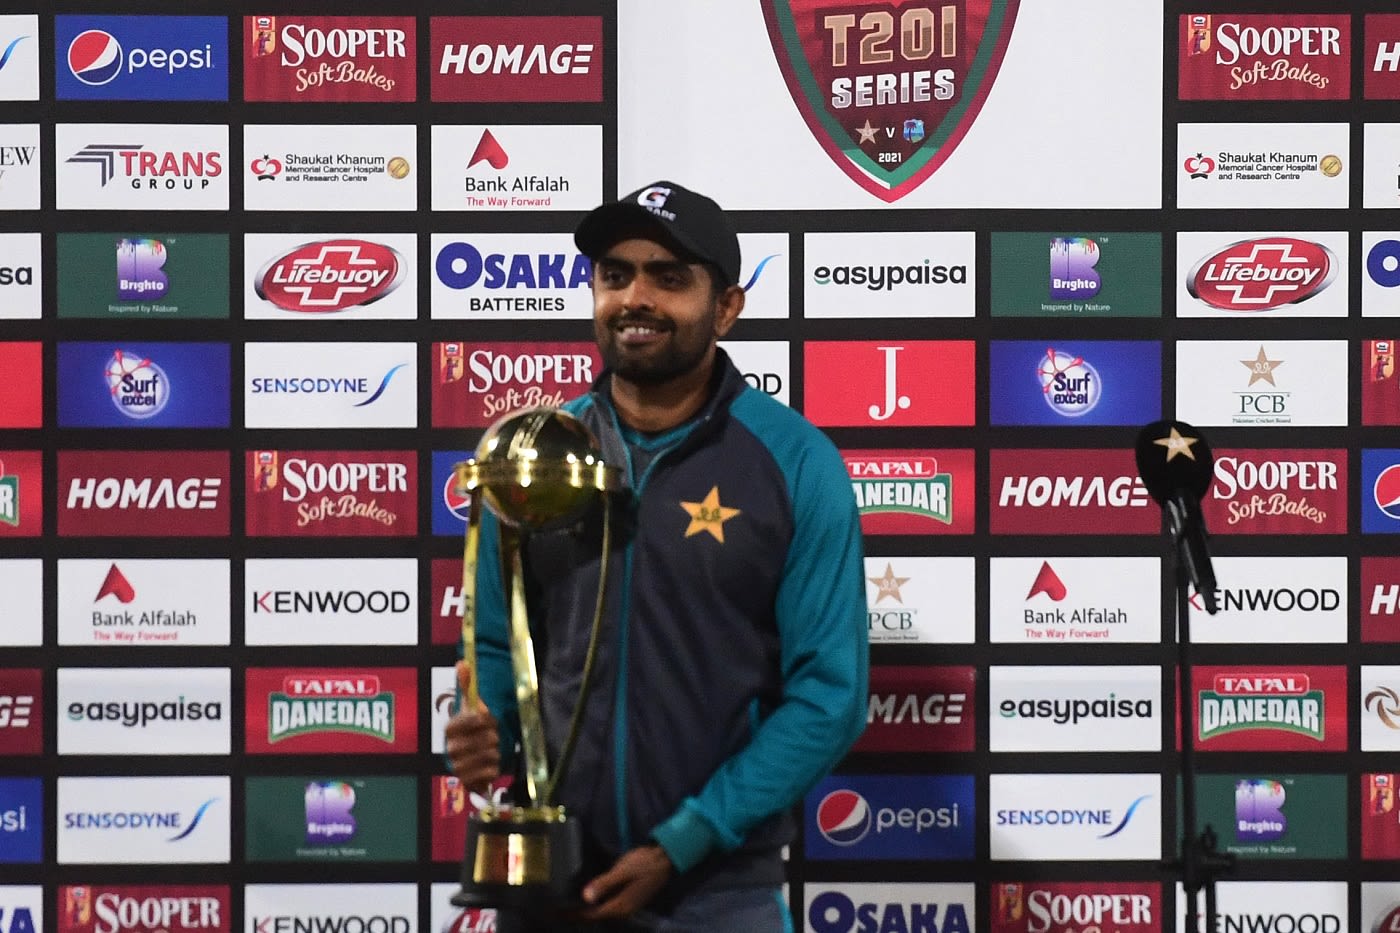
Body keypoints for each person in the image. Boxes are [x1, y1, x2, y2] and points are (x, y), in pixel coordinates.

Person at [444, 180, 868, 933]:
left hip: (717, 892)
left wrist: (686, 840)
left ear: (727, 307)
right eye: (615, 275)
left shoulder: (796, 462)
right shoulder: (532, 456)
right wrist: (489, 732)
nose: (635, 297)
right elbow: (497, 645)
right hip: (552, 885)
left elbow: (829, 696)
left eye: (668, 277)